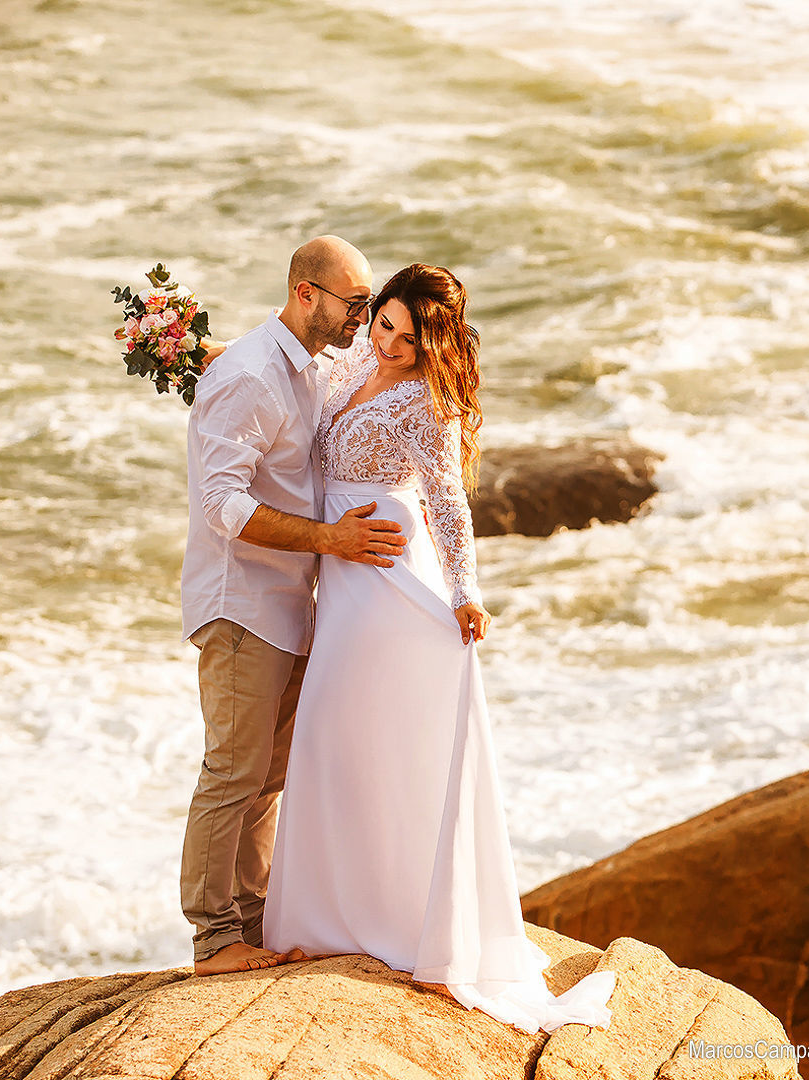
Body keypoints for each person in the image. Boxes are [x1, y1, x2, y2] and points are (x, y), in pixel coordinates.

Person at [255, 262, 617, 1033]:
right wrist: (205, 357)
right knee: (333, 738)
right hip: (343, 571)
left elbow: (448, 501)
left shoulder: (431, 403)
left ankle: (407, 923)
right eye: (384, 322)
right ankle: (324, 919)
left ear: (435, 343)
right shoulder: (354, 357)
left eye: (409, 338)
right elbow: (291, 378)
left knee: (369, 739)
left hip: (390, 580)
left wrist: (466, 594)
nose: (389, 343)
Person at [180, 235, 407, 975]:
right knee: (233, 773)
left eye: (368, 303)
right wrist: (331, 540)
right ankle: (214, 940)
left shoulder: (309, 367)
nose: (362, 317)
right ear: (305, 293)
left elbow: (390, 364)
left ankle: (252, 925)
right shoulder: (249, 376)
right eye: (354, 302)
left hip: (290, 606)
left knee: (268, 779)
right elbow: (221, 503)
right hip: (241, 604)